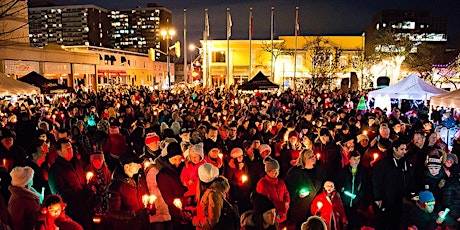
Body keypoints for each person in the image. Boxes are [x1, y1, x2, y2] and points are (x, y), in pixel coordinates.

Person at [48, 138, 91, 229]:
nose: (70, 150)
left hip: (84, 207)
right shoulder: (55, 170)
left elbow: (82, 181)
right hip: (72, 211)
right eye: (67, 149)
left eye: (71, 148)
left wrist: (88, 187)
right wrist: (78, 191)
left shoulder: (77, 163)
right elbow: (58, 193)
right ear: (59, 152)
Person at [373, 139, 415, 230]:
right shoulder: (384, 163)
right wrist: (378, 197)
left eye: (405, 149)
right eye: (402, 149)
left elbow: (410, 177)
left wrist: (411, 192)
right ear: (395, 149)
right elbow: (377, 181)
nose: (404, 151)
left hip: (402, 198)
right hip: (388, 198)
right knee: (386, 221)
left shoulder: (406, 162)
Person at [107, 152, 151, 230]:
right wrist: (134, 215)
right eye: (136, 164)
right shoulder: (116, 186)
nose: (139, 166)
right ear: (127, 167)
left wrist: (150, 207)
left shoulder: (140, 179)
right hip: (128, 226)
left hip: (143, 225)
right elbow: (113, 212)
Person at [284, 149, 326, 229]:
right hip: (301, 208)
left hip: (316, 206)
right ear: (303, 159)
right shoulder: (294, 172)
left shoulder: (319, 170)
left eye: (313, 155)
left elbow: (324, 183)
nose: (313, 158)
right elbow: (288, 189)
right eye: (309, 157)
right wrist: (297, 194)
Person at [191, 163, 232, 230]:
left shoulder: (213, 194)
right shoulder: (209, 191)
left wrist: (193, 220)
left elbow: (212, 221)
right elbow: (206, 209)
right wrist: (192, 211)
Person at [337, 151, 366, 230]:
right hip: (345, 202)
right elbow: (339, 184)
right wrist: (342, 189)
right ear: (349, 159)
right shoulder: (344, 171)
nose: (356, 161)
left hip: (356, 203)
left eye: (358, 159)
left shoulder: (362, 172)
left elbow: (364, 186)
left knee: (355, 222)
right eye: (354, 159)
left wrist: (358, 196)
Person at [256, 156, 290, 224]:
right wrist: (282, 205)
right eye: (274, 171)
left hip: (282, 212)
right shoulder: (262, 183)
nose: (276, 173)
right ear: (268, 171)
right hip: (270, 214)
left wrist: (286, 203)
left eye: (278, 171)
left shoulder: (281, 182)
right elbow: (264, 201)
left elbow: (286, 194)